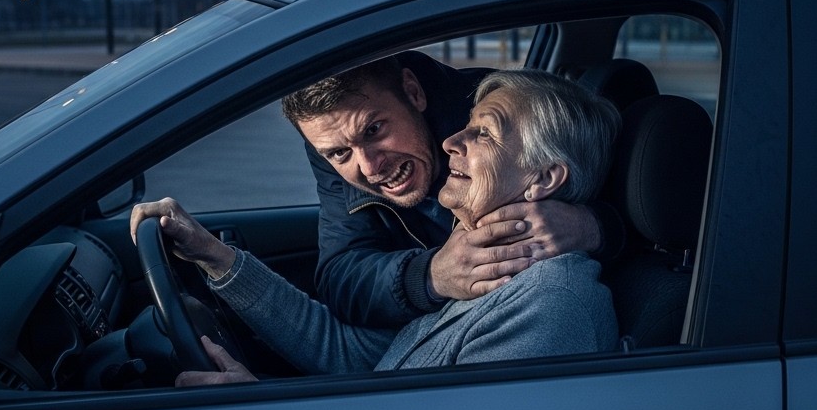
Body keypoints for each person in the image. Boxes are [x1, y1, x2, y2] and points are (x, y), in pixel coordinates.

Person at [131, 69, 621, 383]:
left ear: (544, 179)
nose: (452, 139)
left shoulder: (548, 304)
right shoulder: (480, 277)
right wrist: (214, 257)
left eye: (482, 133)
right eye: (340, 153)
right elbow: (351, 356)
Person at [279, 51, 624, 328]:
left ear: (413, 92)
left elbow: (652, 207)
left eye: (375, 130)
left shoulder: (503, 107)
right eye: (340, 153)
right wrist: (431, 276)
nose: (369, 167)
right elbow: (343, 274)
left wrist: (593, 226)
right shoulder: (330, 138)